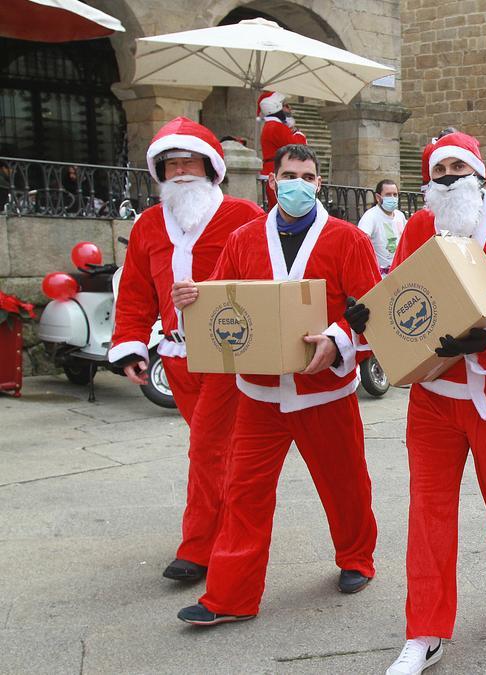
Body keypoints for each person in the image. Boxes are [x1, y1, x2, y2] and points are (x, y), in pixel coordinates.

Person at [347, 131, 486, 675]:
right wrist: (367, 320)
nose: (449, 177)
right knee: (427, 512)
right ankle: (425, 631)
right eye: (440, 170)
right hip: (434, 398)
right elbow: (400, 297)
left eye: (459, 167)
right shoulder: (417, 228)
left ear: (479, 173)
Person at [171, 144, 381, 626]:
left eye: (308, 176)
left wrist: (337, 339)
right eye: (290, 174)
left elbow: (370, 309)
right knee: (243, 492)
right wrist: (190, 300)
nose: (299, 184)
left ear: (319, 184)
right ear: (272, 181)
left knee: (345, 483)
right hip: (259, 394)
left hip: (325, 392)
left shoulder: (347, 239)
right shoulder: (244, 239)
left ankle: (356, 558)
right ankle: (229, 596)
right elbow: (223, 302)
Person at [108, 117, 264, 583]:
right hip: (176, 360)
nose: (180, 172)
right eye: (170, 164)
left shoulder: (244, 216)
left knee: (209, 450)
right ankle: (228, 535)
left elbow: (265, 280)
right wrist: (130, 345)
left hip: (228, 355)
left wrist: (212, 290)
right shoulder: (148, 225)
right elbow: (135, 291)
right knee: (216, 450)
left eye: (188, 162)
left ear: (212, 167)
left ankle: (202, 548)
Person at [257, 91, 307, 209]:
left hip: (273, 169)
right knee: (283, 209)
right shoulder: (277, 127)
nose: (287, 109)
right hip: (277, 171)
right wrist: (299, 134)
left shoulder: (271, 126)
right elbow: (297, 149)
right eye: (284, 105)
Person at [358, 178, 408, 274]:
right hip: (380, 276)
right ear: (378, 197)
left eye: (395, 194)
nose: (392, 198)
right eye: (388, 195)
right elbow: (360, 242)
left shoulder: (400, 215)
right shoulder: (370, 217)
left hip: (400, 272)